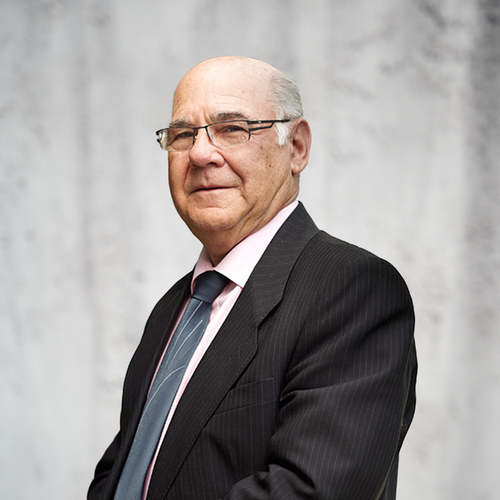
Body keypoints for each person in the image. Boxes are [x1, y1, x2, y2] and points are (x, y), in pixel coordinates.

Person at [88, 56, 417, 500]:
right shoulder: (174, 308)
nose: (200, 154)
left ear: (296, 147)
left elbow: (311, 490)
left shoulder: (353, 290)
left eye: (232, 128)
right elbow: (123, 473)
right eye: (183, 135)